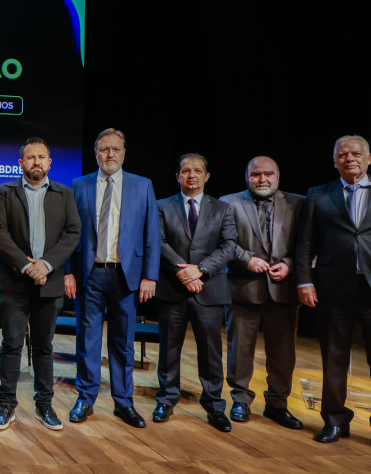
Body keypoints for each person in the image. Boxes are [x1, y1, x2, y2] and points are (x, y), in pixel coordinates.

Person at [64, 128, 159, 428]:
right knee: (87, 340)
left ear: (124, 153)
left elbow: (152, 236)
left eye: (115, 149)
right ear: (96, 153)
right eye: (104, 149)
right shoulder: (79, 185)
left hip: (126, 277)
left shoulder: (142, 186)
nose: (109, 154)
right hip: (89, 275)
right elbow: (68, 233)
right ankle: (86, 398)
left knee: (123, 343)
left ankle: (123, 402)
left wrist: (150, 277)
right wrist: (67, 271)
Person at [0, 136, 81, 431]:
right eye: (30, 157)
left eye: (42, 157)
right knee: (11, 345)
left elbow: (72, 233)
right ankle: (7, 405)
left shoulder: (64, 193)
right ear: (21, 163)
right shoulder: (5, 192)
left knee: (43, 347)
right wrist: (28, 265)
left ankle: (45, 405)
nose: (36, 162)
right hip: (15, 283)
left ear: (49, 163)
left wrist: (46, 264)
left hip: (50, 282)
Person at [296, 135, 371, 443]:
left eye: (356, 153)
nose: (349, 158)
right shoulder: (318, 194)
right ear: (335, 161)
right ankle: (335, 420)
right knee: (334, 356)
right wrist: (304, 280)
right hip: (333, 288)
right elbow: (304, 243)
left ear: (368, 159)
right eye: (342, 154)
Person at [220, 156, 304, 429]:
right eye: (256, 174)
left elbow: (308, 244)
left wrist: (289, 265)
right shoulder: (228, 202)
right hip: (242, 287)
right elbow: (223, 242)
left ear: (278, 175)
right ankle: (241, 400)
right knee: (239, 349)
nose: (262, 179)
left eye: (268, 174)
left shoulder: (299, 203)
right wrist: (246, 259)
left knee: (282, 353)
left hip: (283, 290)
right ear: (246, 176)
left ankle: (277, 404)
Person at [155, 153, 236, 431]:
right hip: (172, 289)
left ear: (207, 176)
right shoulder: (161, 206)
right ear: (177, 176)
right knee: (168, 351)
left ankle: (215, 406)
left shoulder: (222, 208)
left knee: (211, 354)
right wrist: (183, 273)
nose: (191, 175)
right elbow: (159, 242)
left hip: (209, 290)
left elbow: (229, 246)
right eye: (186, 171)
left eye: (197, 171)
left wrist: (199, 269)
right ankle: (166, 400)